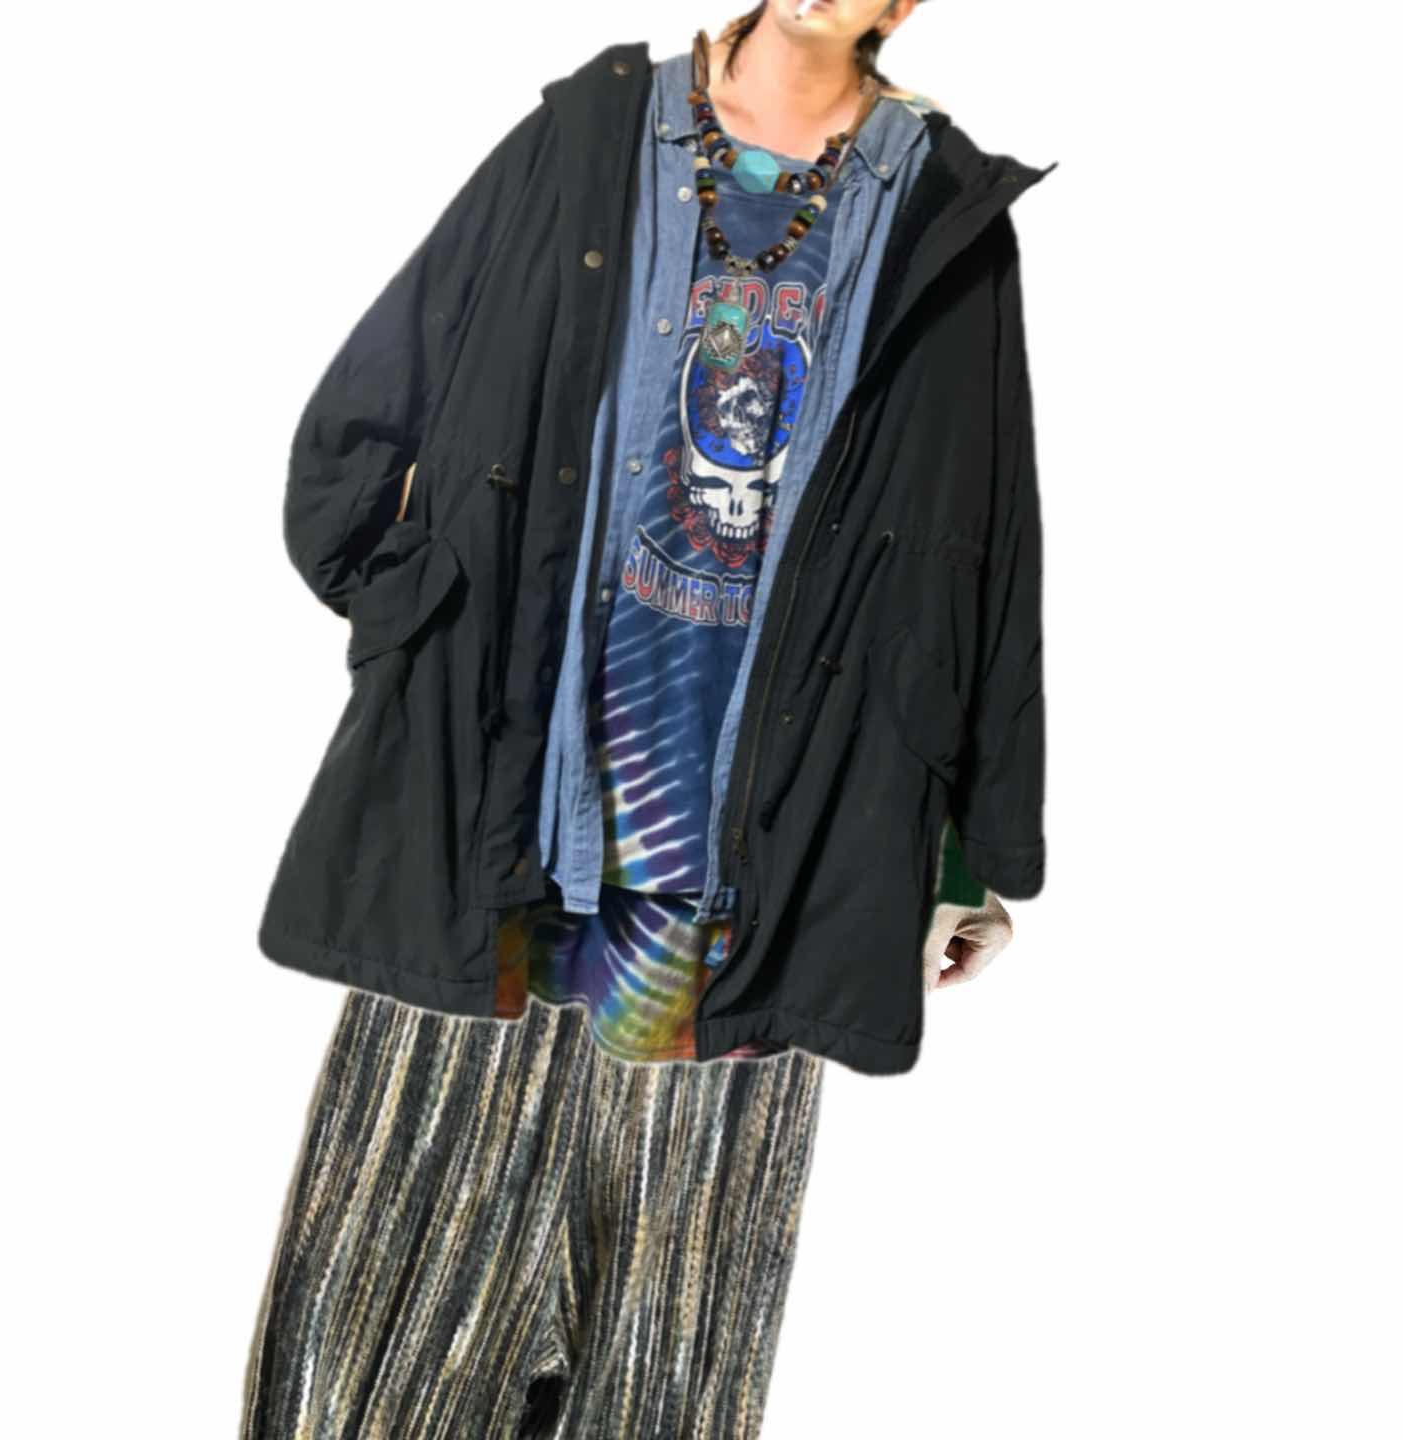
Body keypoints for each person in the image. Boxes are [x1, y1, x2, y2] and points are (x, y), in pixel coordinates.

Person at [244, 4, 1048, 1434]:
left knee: (663, 1355)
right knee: (378, 1334)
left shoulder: (941, 211)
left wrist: (967, 849)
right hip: (505, 820)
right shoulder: (595, 134)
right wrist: (411, 614)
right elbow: (375, 397)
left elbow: (983, 544)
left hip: (759, 869)